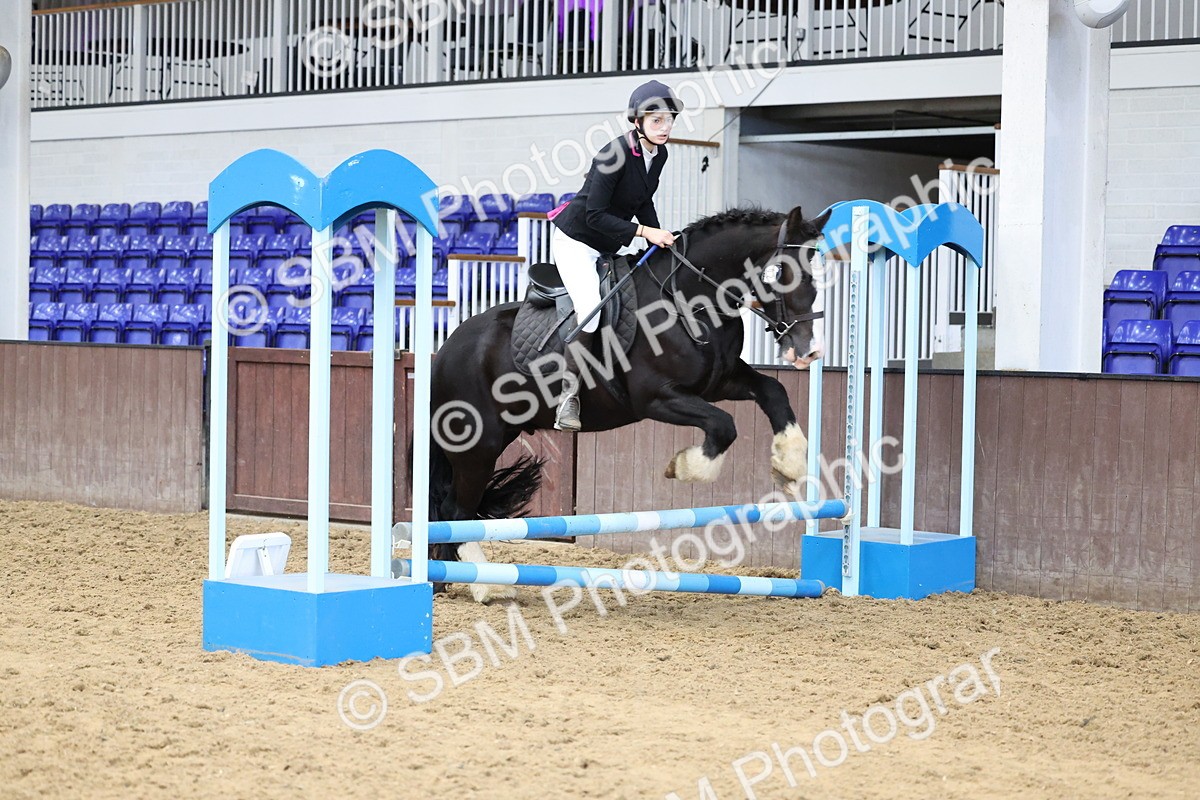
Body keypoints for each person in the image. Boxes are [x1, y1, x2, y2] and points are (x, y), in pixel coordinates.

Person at [547, 80, 682, 431]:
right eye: (657, 121)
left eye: (669, 120)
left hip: (607, 243)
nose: (665, 127)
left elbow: (643, 200)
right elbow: (594, 214)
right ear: (637, 122)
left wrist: (661, 236)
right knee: (590, 310)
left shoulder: (659, 154)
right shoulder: (613, 154)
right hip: (576, 240)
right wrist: (643, 232)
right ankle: (568, 397)